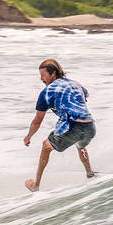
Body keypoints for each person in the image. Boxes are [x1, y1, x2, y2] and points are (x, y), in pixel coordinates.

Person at [23, 58, 96, 192]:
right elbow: (86, 93)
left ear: (53, 74)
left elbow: (37, 120)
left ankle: (36, 185)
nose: (41, 79)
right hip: (90, 127)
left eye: (43, 76)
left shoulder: (47, 92)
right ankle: (90, 174)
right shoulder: (75, 83)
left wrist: (28, 137)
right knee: (80, 143)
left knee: (46, 146)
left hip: (74, 127)